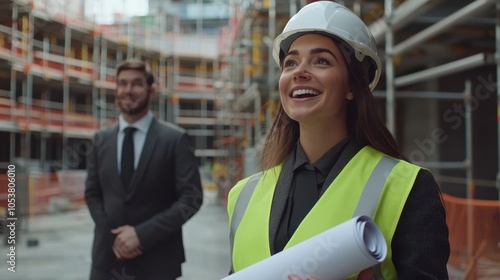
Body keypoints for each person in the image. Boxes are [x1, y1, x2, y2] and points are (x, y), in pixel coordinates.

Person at [226, 1, 450, 279]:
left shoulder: (406, 187)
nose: (299, 72)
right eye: (290, 63)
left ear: (352, 87)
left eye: (321, 61)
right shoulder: (242, 196)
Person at [85, 59, 203, 280]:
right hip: (106, 262)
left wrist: (141, 235)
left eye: (137, 84)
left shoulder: (175, 139)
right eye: (122, 83)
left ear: (151, 89)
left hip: (157, 263)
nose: (128, 90)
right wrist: (115, 238)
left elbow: (192, 199)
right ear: (116, 89)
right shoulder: (101, 140)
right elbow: (92, 194)